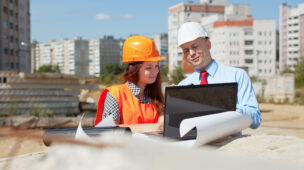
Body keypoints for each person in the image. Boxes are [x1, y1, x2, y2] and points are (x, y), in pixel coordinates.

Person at [177, 22, 261, 129]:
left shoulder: (237, 76)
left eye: (195, 46)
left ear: (208, 45)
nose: (192, 53)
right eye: (186, 50)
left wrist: (228, 108)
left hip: (229, 144)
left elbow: (256, 120)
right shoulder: (182, 87)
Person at [94, 35, 165, 133]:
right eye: (148, 68)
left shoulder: (155, 96)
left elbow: (162, 126)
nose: (155, 71)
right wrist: (153, 128)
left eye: (156, 66)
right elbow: (108, 130)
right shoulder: (115, 94)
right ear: (134, 69)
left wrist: (171, 105)